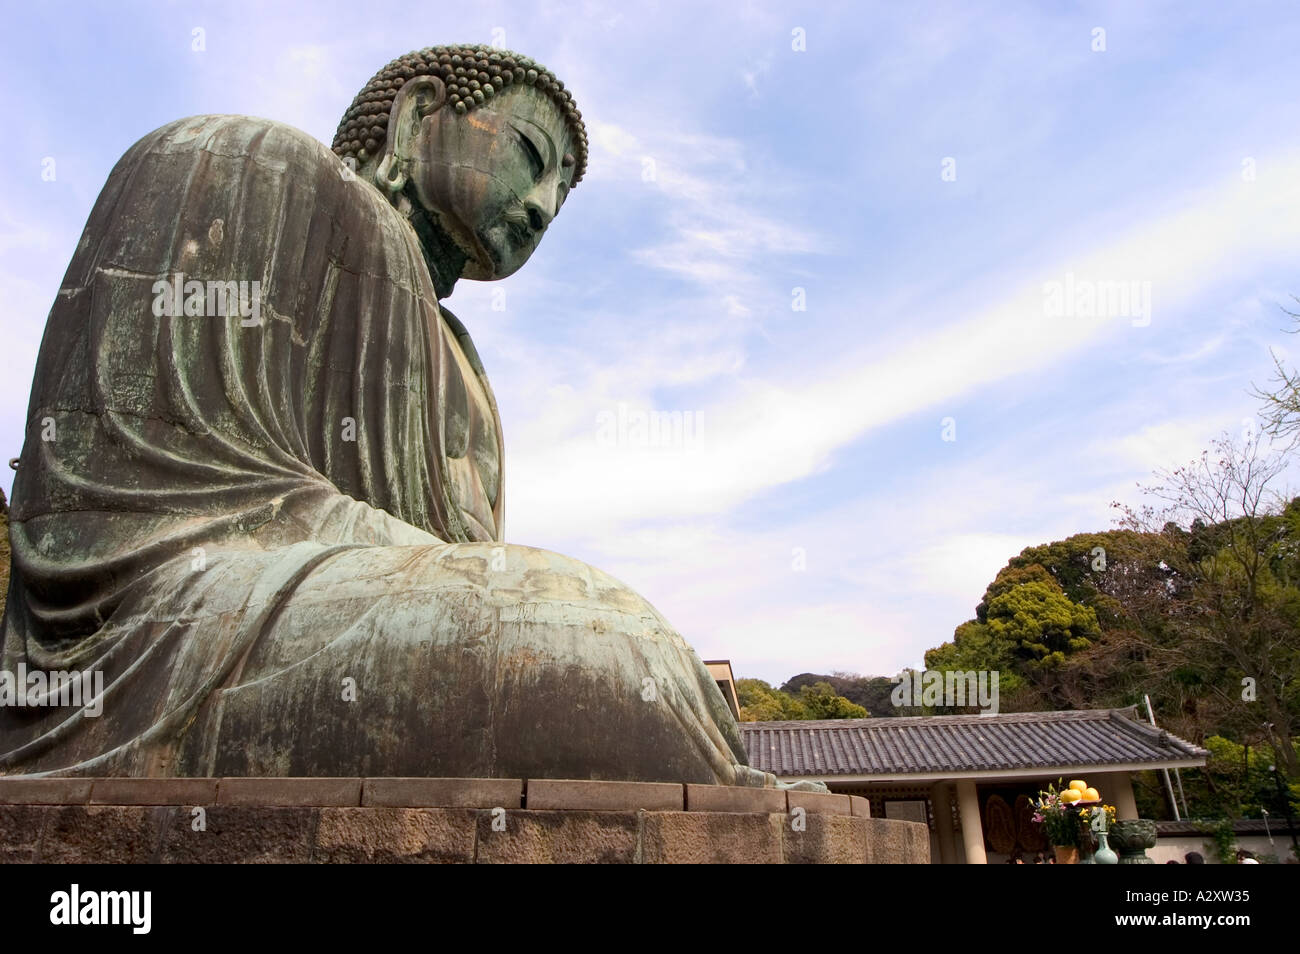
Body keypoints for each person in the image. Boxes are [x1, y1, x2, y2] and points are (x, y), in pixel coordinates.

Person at [0, 45, 785, 788]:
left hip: (365, 606)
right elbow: (103, 518)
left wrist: (480, 588)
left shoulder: (464, 365)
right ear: (416, 116)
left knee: (613, 649)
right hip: (177, 624)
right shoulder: (246, 161)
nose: (544, 206)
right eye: (532, 158)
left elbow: (452, 570)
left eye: (563, 196)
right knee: (607, 657)